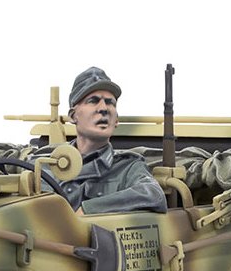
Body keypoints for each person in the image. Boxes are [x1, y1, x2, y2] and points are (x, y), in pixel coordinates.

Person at [35, 66, 167, 214]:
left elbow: (153, 195)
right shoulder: (46, 164)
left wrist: (89, 209)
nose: (104, 108)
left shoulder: (128, 167)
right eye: (93, 101)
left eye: (110, 103)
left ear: (116, 120)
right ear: (73, 116)